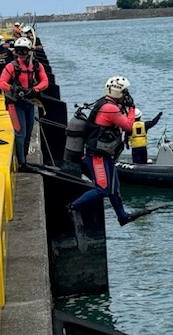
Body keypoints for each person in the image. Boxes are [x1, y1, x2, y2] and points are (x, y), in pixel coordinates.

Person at [68, 75, 136, 226]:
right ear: (118, 92)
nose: (127, 95)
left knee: (113, 188)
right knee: (103, 189)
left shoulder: (105, 103)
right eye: (125, 92)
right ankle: (73, 207)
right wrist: (132, 110)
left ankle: (122, 216)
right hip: (97, 155)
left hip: (105, 154)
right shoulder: (110, 108)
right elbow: (128, 126)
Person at [0, 36, 49, 171]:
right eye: (19, 51)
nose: (21, 54)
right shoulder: (11, 66)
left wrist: (33, 90)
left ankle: (24, 160)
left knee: (28, 134)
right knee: (20, 134)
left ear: (29, 51)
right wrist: (13, 88)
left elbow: (45, 82)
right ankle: (21, 163)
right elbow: (2, 83)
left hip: (29, 102)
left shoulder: (37, 66)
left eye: (24, 51)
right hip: (15, 104)